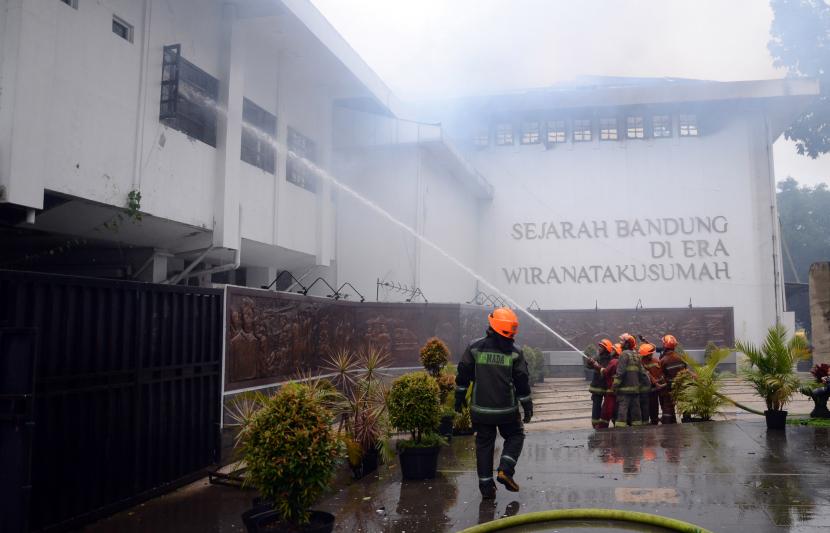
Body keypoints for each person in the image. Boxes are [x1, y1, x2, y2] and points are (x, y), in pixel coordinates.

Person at [455, 307, 533, 499]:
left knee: (484, 444)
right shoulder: (515, 353)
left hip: (481, 410)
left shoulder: (474, 347)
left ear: (492, 324)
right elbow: (522, 380)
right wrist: (527, 405)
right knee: (515, 435)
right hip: (507, 410)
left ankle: (486, 488)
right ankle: (505, 469)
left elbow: (463, 373)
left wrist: (459, 397)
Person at [613, 333, 644, 427]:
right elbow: (641, 372)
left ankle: (620, 429)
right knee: (636, 410)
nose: (620, 343)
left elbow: (620, 372)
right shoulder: (637, 355)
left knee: (623, 409)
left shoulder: (624, 354)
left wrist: (615, 385)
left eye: (622, 341)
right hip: (635, 389)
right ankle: (637, 428)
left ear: (626, 344)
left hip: (625, 389)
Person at [585, 339, 615, 429]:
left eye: (601, 347)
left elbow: (606, 371)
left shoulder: (611, 359)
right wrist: (589, 362)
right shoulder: (597, 357)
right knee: (596, 406)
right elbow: (589, 366)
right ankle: (595, 424)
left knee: (608, 406)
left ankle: (610, 422)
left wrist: (597, 366)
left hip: (606, 387)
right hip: (597, 386)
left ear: (606, 349)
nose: (599, 348)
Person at [658, 334, 686, 424]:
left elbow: (660, 375)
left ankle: (668, 422)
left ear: (665, 345)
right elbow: (685, 371)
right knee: (683, 405)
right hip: (680, 387)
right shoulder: (680, 358)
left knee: (667, 407)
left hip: (668, 389)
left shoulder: (663, 360)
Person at [639, 343, 668, 425]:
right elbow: (647, 374)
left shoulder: (656, 360)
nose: (651, 354)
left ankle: (654, 421)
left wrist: (662, 381)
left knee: (655, 406)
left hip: (657, 389)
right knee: (648, 407)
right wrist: (655, 383)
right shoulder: (641, 363)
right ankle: (649, 421)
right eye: (650, 353)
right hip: (648, 390)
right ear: (646, 354)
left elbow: (661, 372)